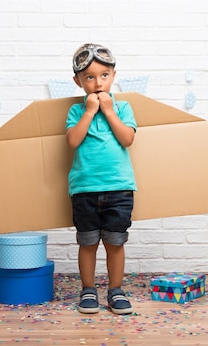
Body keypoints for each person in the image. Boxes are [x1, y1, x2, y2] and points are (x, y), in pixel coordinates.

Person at [65, 43, 137, 315]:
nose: (97, 83)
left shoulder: (124, 107)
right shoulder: (75, 111)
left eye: (104, 76)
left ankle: (116, 291)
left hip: (119, 189)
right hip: (84, 189)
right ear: (78, 81)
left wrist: (108, 111)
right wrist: (89, 112)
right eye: (90, 77)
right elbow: (73, 141)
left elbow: (127, 139)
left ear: (113, 75)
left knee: (115, 242)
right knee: (87, 242)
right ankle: (88, 290)